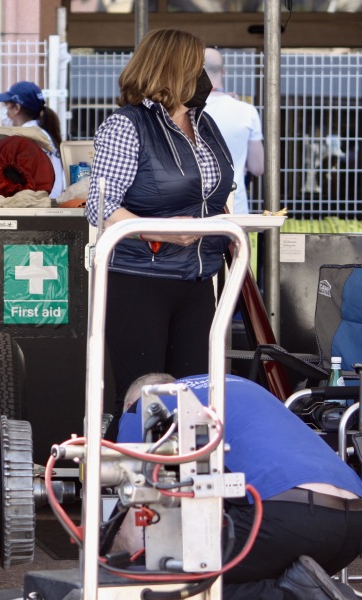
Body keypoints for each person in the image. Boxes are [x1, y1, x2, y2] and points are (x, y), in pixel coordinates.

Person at [116, 373, 362, 600]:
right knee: (227, 562)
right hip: (355, 524)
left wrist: (112, 560)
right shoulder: (233, 384)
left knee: (159, 587)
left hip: (285, 517)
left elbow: (136, 538)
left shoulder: (146, 406)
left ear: (131, 402)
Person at [84, 28, 235, 426]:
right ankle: (130, 480)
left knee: (198, 399)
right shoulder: (127, 126)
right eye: (198, 67)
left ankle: (190, 484)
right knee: (145, 399)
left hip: (199, 279)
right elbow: (99, 207)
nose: (206, 77)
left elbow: (216, 192)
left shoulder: (206, 125)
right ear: (175, 70)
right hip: (139, 281)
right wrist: (160, 231)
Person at [202, 48, 264, 215]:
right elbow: (257, 167)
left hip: (193, 209)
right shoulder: (247, 111)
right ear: (223, 71)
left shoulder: (183, 110)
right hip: (235, 207)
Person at [0, 81, 64, 197]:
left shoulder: (28, 135)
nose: (4, 110)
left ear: (16, 108)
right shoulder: (38, 132)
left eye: (6, 105)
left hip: (39, 207)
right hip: (44, 204)